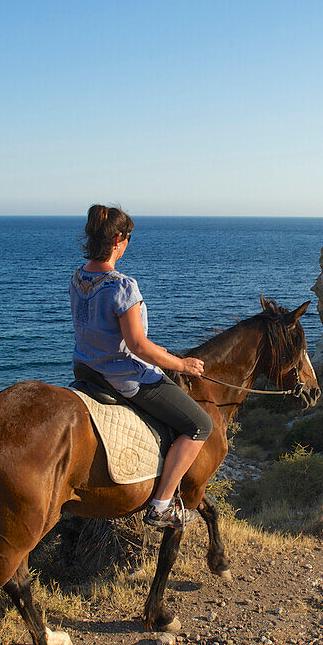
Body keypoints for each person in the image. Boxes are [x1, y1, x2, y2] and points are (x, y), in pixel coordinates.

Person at [69, 205, 213, 529]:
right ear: (118, 239)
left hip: (87, 371)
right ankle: (161, 505)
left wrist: (155, 350)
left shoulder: (78, 278)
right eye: (128, 238)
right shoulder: (121, 286)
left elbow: (106, 335)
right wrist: (183, 364)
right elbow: (136, 346)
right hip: (122, 378)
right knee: (200, 424)